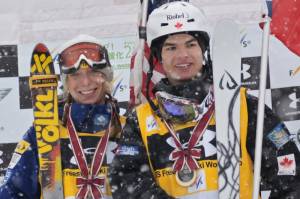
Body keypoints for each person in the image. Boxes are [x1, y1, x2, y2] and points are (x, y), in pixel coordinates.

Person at [109, 1, 300, 199]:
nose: (182, 55)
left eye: (190, 44)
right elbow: (125, 181)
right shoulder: (140, 121)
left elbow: (289, 169)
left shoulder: (243, 106)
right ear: (159, 57)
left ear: (203, 50)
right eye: (171, 48)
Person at [0, 34, 123, 198]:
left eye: (94, 72)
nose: (86, 82)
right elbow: (14, 192)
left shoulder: (128, 129)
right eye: (76, 75)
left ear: (106, 76)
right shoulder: (44, 133)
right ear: (66, 83)